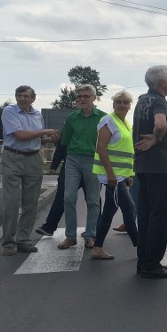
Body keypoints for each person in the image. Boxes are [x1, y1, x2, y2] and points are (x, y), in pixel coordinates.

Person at [1, 86, 60, 255]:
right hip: (13, 157)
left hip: (33, 158)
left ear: (33, 99)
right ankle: (8, 242)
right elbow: (20, 135)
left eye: (26, 96)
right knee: (11, 202)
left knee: (31, 203)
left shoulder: (37, 114)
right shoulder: (9, 112)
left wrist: (46, 139)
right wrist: (45, 131)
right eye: (19, 96)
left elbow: (34, 137)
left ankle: (23, 239)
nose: (22, 99)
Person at [133, 65, 167, 279]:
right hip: (158, 165)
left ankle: (144, 260)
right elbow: (160, 124)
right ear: (162, 83)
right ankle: (152, 264)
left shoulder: (143, 100)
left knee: (145, 214)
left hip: (143, 165)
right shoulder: (159, 101)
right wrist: (158, 137)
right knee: (159, 215)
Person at [90, 90, 138, 260]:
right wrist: (111, 174)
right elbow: (101, 147)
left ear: (130, 106)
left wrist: (129, 175)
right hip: (111, 176)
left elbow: (125, 152)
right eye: (119, 102)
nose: (122, 105)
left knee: (109, 211)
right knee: (129, 208)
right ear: (113, 104)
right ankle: (140, 248)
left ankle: (97, 248)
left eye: (126, 102)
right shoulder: (108, 120)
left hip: (120, 176)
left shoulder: (125, 123)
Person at [58, 85, 106, 250]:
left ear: (94, 98)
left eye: (86, 96)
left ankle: (90, 235)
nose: (83, 99)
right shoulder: (72, 117)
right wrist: (57, 163)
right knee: (68, 197)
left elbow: (108, 143)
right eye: (80, 96)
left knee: (93, 200)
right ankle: (70, 237)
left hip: (94, 160)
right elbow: (64, 142)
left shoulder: (103, 117)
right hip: (73, 159)